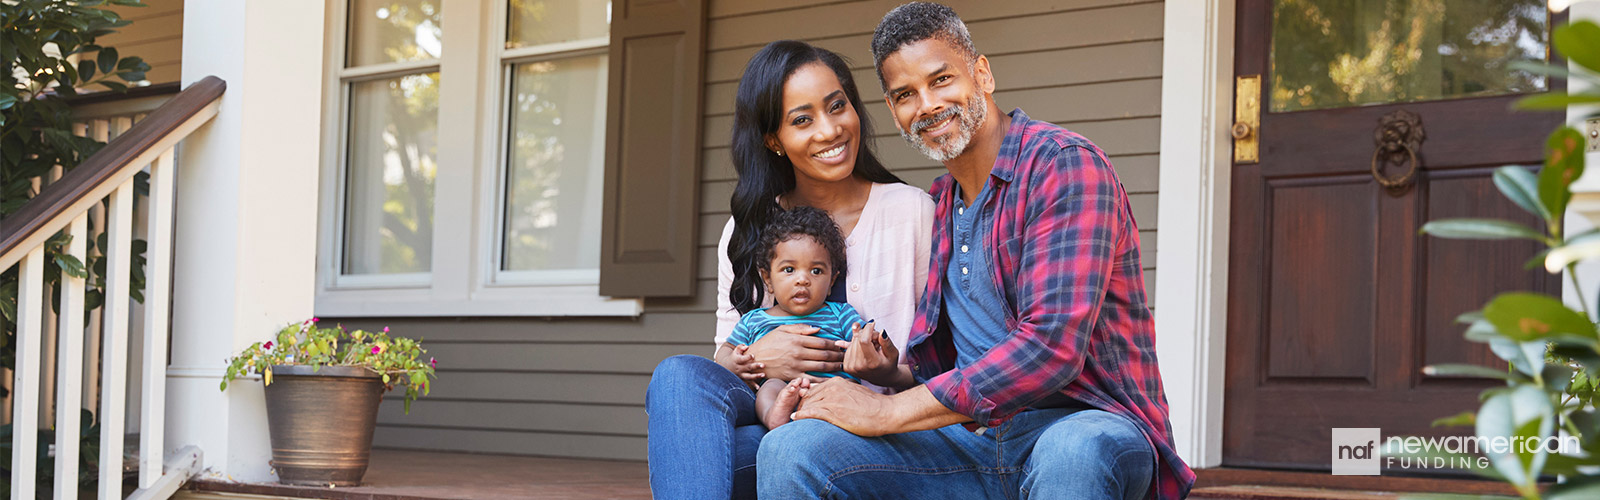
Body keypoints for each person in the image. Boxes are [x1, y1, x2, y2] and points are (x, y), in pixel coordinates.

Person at [757, 3, 1197, 500]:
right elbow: (956, 360)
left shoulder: (1064, 166)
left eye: (941, 79)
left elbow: (1050, 350)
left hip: (1083, 424)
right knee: (793, 449)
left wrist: (885, 411)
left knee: (1075, 452)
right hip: (973, 441)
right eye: (905, 94)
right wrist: (886, 374)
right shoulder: (942, 203)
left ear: (982, 74)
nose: (926, 104)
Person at [645, 40, 935, 500]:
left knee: (721, 455)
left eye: (837, 106)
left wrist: (886, 368)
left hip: (880, 429)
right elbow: (728, 356)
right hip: (777, 416)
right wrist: (761, 358)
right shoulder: (746, 232)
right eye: (802, 119)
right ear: (773, 140)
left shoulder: (913, 213)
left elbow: (947, 364)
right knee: (678, 376)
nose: (829, 130)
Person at [718, 206, 878, 430]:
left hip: (830, 389)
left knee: (848, 386)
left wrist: (867, 345)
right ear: (768, 279)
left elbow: (864, 339)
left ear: (832, 281)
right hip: (782, 388)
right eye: (789, 269)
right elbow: (725, 350)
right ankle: (774, 415)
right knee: (769, 388)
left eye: (816, 271)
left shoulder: (841, 314)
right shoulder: (754, 320)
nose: (802, 279)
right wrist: (732, 362)